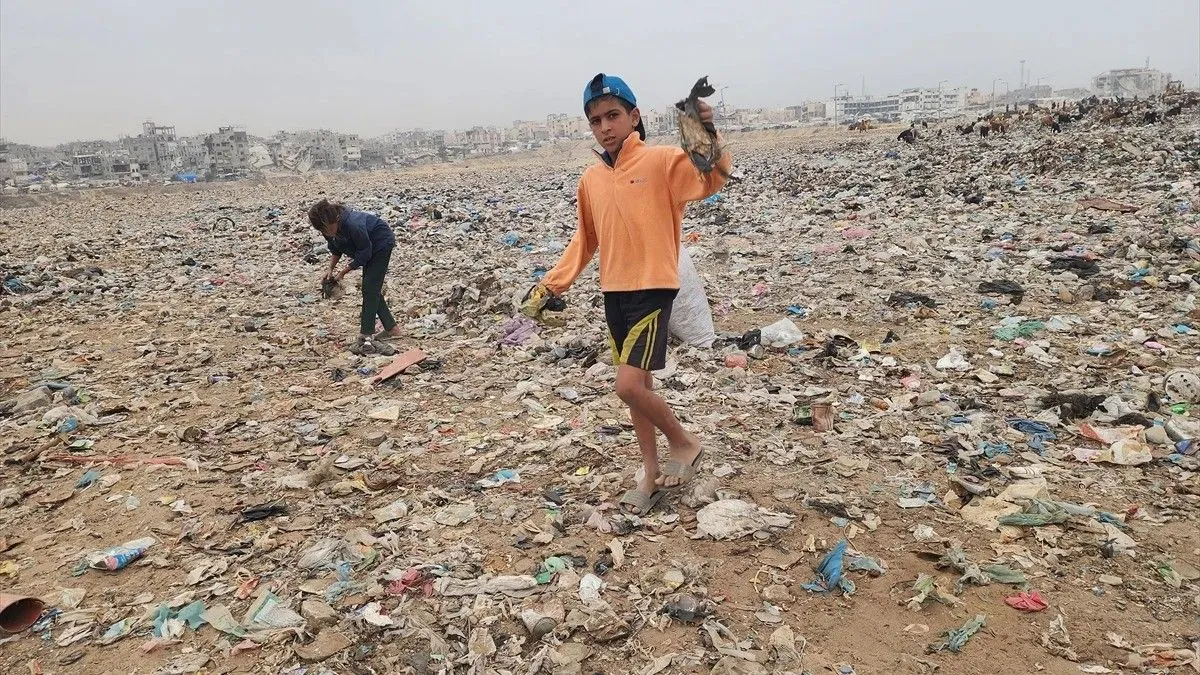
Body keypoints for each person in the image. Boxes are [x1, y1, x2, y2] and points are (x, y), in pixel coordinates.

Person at [522, 73, 731, 515]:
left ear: (634, 117)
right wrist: (550, 285)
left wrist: (705, 131)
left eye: (613, 115)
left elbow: (710, 178)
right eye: (596, 120)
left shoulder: (661, 162)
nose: (605, 127)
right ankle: (651, 475)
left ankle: (684, 442)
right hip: (612, 291)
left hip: (653, 288)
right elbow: (585, 240)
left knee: (627, 385)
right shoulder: (591, 180)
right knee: (640, 389)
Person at [308, 199, 400, 349]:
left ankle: (366, 334)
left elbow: (365, 251)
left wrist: (344, 272)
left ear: (335, 220)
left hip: (380, 244)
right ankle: (392, 329)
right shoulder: (328, 231)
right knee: (372, 289)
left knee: (370, 288)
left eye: (327, 229)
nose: (327, 233)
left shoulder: (353, 224)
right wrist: (330, 269)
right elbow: (336, 249)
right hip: (366, 248)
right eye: (323, 231)